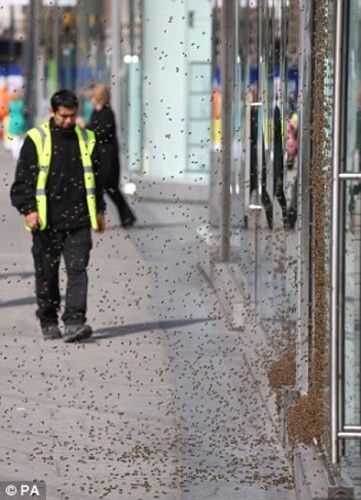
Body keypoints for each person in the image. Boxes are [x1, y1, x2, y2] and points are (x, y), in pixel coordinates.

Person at [10, 89, 106, 342]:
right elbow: (23, 181)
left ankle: (75, 321)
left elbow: (96, 178)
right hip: (46, 220)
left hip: (79, 219)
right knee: (47, 273)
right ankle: (48, 318)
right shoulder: (36, 139)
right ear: (52, 112)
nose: (68, 121)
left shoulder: (88, 139)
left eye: (72, 116)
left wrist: (99, 210)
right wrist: (28, 210)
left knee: (77, 270)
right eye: (63, 116)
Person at [77, 82, 136, 228]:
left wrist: (85, 125)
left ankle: (121, 216)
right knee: (108, 189)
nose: (90, 100)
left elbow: (102, 133)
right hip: (100, 155)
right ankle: (126, 216)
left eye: (92, 97)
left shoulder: (107, 113)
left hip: (107, 157)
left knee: (107, 188)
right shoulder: (97, 112)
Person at [8, 88, 27, 161]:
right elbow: (24, 111)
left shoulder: (10, 104)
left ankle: (15, 154)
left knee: (14, 139)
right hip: (21, 120)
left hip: (13, 121)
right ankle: (21, 152)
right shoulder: (21, 103)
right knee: (21, 138)